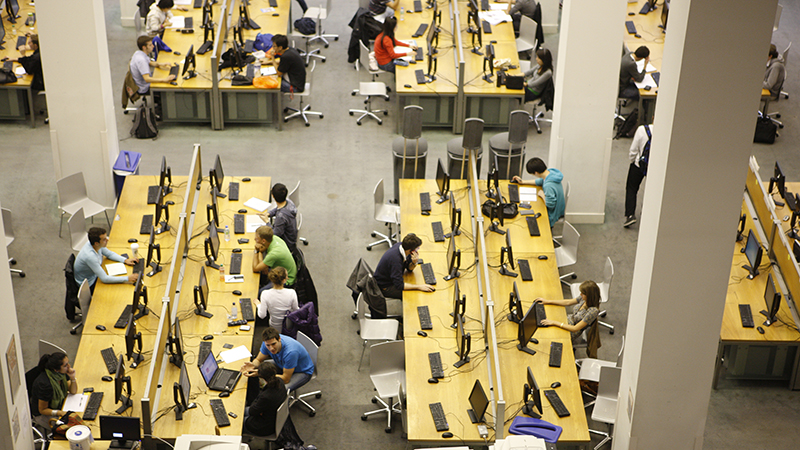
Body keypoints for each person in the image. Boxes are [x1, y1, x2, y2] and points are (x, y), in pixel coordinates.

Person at [241, 327, 315, 392]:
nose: (271, 348)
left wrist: (262, 374)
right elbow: (258, 360)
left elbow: (286, 379)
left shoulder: (291, 352)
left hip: (302, 371)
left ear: (279, 339)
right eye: (268, 345)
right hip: (283, 365)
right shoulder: (267, 343)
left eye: (274, 344)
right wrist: (253, 365)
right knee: (263, 367)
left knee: (279, 390)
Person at [537, 280, 601, 346]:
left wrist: (554, 322)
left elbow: (575, 329)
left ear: (589, 295)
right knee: (544, 325)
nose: (580, 294)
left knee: (547, 336)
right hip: (567, 320)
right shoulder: (584, 298)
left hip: (571, 330)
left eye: (583, 293)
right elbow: (568, 302)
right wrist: (548, 301)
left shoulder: (593, 311)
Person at [74, 227, 139, 291]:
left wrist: (125, 260)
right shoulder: (90, 256)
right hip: (89, 284)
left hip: (94, 274)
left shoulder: (95, 244)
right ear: (96, 243)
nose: (107, 240)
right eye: (104, 239)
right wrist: (128, 278)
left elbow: (109, 254)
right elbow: (105, 279)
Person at [373, 233, 435, 300]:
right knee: (412, 295)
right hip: (385, 287)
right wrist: (419, 287)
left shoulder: (402, 247)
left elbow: (409, 269)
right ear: (411, 251)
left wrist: (414, 263)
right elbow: (399, 285)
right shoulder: (396, 261)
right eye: (417, 248)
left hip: (392, 279)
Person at [511, 158, 565, 228]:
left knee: (529, 215)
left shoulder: (548, 186)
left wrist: (542, 195)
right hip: (558, 208)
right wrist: (523, 182)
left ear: (536, 173)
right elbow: (541, 181)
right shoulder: (550, 173)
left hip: (553, 214)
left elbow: (550, 204)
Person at [30, 352, 78, 428]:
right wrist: (59, 413)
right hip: (43, 414)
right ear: (56, 369)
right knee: (71, 428)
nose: (69, 367)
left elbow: (73, 391)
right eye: (65, 365)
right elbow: (43, 410)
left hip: (59, 406)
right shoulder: (45, 385)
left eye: (68, 363)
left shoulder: (61, 374)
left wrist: (72, 378)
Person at [242, 361, 287, 436]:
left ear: (262, 377)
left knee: (237, 421)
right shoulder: (280, 381)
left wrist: (256, 401)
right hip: (274, 417)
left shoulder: (266, 397)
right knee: (242, 411)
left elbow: (252, 411)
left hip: (264, 426)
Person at [624, 124, 653, 228]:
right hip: (655, 168)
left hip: (638, 165)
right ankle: (648, 216)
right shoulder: (665, 133)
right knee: (652, 192)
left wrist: (633, 160)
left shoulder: (642, 129)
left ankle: (630, 215)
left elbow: (633, 150)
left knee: (632, 188)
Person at [253, 225, 297, 293]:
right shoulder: (274, 238)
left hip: (286, 280)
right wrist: (264, 265)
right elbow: (262, 249)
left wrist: (256, 251)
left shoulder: (274, 254)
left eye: (257, 239)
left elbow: (255, 268)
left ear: (264, 241)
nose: (254, 240)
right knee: (261, 272)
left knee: (259, 293)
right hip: (280, 270)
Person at [258, 183, 298, 253]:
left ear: (273, 196)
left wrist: (267, 222)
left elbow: (274, 234)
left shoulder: (281, 216)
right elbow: (278, 208)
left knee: (260, 240)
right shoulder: (289, 202)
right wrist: (269, 213)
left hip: (286, 245)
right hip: (291, 238)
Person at [258, 267, 299, 332]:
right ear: (284, 280)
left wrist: (258, 305)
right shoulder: (292, 293)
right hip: (288, 326)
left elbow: (262, 315)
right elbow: (296, 311)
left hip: (274, 327)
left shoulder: (265, 294)